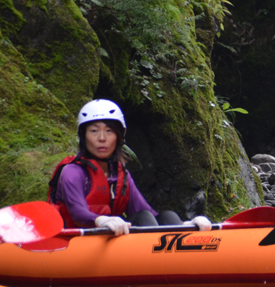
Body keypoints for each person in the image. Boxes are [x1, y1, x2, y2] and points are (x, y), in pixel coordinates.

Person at [47, 99, 212, 236]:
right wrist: (102, 220)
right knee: (144, 218)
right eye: (94, 131)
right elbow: (78, 213)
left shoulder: (120, 175)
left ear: (119, 137)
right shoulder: (72, 172)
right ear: (83, 136)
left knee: (167, 215)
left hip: (109, 239)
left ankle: (185, 246)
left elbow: (147, 213)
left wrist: (186, 224)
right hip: (79, 241)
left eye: (109, 131)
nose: (102, 138)